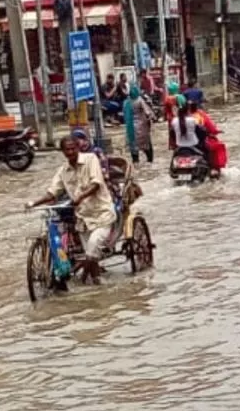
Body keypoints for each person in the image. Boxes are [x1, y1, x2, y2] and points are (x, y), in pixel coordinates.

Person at [26, 136, 117, 284]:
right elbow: (52, 192)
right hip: (83, 218)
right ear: (62, 152)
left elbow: (96, 183)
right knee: (89, 253)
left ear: (78, 148)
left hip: (102, 213)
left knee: (92, 250)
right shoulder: (63, 171)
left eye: (72, 148)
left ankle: (81, 279)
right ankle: (97, 282)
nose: (70, 152)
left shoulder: (91, 159)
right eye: (66, 149)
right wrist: (34, 203)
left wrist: (81, 196)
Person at [123, 86, 154, 164]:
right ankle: (150, 161)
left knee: (133, 147)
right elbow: (148, 113)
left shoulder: (126, 102)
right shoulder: (140, 100)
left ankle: (135, 161)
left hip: (130, 129)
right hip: (141, 127)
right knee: (146, 145)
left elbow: (124, 114)